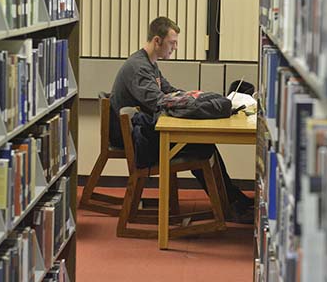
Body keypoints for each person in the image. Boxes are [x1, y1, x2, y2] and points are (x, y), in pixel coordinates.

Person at [109, 16, 254, 222]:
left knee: (205, 145)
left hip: (145, 132)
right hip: (139, 141)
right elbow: (159, 102)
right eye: (172, 43)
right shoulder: (139, 67)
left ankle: (232, 199)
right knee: (203, 148)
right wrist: (192, 103)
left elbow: (169, 91)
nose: (175, 47)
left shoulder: (149, 63)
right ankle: (228, 206)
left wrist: (194, 96)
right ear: (157, 41)